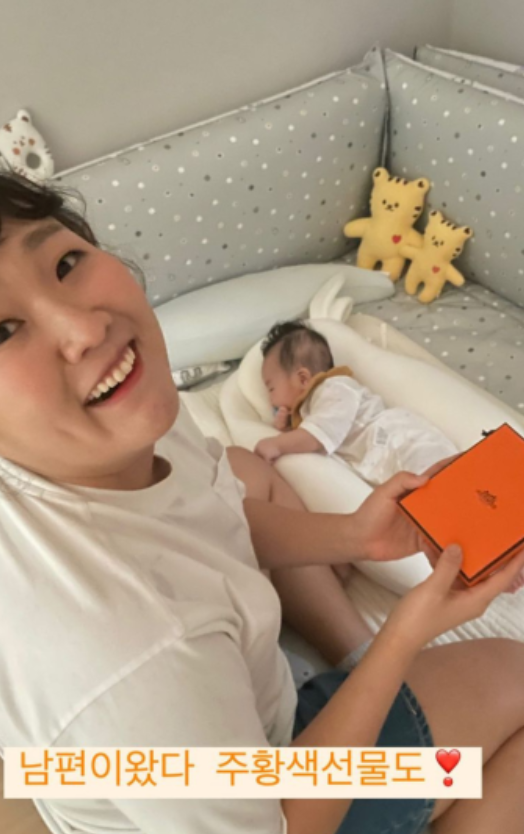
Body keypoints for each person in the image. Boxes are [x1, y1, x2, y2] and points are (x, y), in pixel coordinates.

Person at [1, 170, 524, 834]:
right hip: (274, 804)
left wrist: (358, 535)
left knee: (244, 468)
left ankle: (350, 654)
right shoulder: (130, 649)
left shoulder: (128, 415)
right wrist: (405, 636)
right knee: (515, 677)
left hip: (214, 744)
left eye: (65, 263)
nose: (84, 328)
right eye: (3, 332)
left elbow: (207, 513)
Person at [255, 320, 458, 484]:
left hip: (401, 440)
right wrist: (287, 426)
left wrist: (277, 444)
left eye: (271, 388)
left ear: (302, 379)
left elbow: (318, 435)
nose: (270, 399)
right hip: (384, 459)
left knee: (439, 479)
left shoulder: (334, 388)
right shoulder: (311, 408)